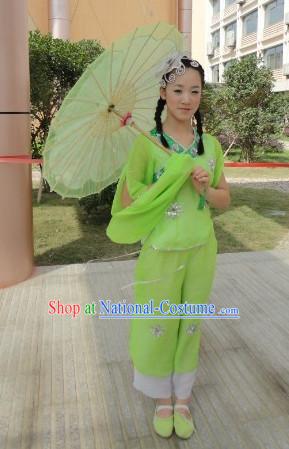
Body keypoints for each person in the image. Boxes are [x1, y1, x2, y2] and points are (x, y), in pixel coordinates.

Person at [106, 53, 231, 439]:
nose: (186, 98)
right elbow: (129, 201)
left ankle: (183, 396)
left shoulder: (208, 146)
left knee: (189, 324)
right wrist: (170, 180)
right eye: (178, 90)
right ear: (163, 93)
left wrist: (203, 188)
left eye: (194, 90)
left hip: (200, 250)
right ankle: (161, 396)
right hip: (160, 252)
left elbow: (224, 199)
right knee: (158, 322)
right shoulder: (147, 144)